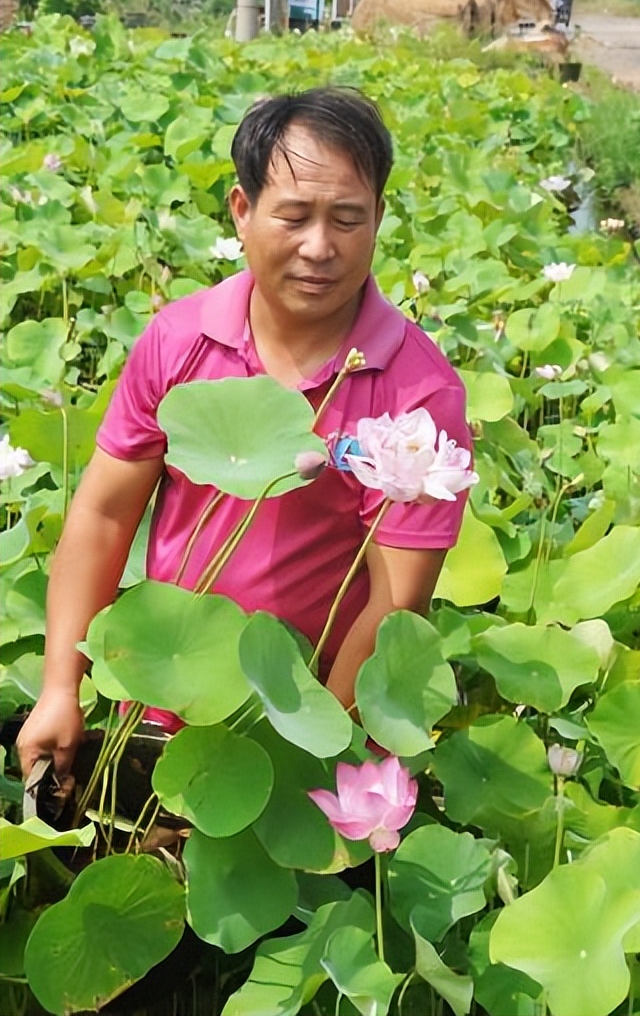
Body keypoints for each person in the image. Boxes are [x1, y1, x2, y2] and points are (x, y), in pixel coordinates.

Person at [17, 88, 473, 782]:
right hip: (158, 698)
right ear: (242, 210)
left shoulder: (420, 394)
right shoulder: (178, 342)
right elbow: (105, 513)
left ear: (379, 217)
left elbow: (394, 602)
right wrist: (60, 684)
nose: (320, 248)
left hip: (315, 723)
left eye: (348, 219)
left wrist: (298, 762)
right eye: (293, 216)